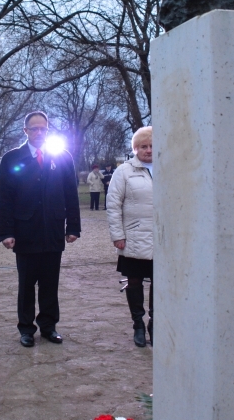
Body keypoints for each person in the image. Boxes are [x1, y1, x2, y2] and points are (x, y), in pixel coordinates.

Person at [0, 111, 81, 347]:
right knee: (26, 285)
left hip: (53, 229)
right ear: (25, 131)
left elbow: (71, 195)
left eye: (43, 128)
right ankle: (26, 328)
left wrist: (73, 226)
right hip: (25, 231)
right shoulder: (12, 158)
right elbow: (5, 199)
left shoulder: (62, 157)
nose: (39, 132)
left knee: (50, 284)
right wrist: (6, 232)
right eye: (34, 128)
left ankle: (49, 326)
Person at [106, 126, 153, 347]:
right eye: (143, 146)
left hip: (163, 238)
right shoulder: (124, 171)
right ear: (135, 148)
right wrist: (117, 235)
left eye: (152, 146)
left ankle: (156, 324)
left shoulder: (169, 168)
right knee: (134, 281)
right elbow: (113, 205)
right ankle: (138, 324)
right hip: (134, 236)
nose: (148, 150)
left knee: (160, 282)